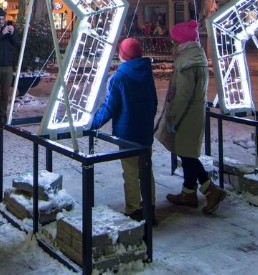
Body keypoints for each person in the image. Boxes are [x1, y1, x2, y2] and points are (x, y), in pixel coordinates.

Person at [156, 19, 226, 213]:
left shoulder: (187, 62)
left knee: (187, 154)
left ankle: (210, 189)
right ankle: (188, 192)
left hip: (186, 116)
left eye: (174, 40)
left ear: (182, 41)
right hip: (194, 113)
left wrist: (173, 119)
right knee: (186, 151)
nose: (172, 44)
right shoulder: (196, 56)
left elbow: (183, 95)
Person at [90, 38, 158, 223]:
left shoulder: (119, 77)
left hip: (126, 133)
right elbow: (153, 101)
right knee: (146, 169)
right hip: (144, 130)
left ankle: (134, 209)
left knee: (130, 171)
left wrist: (92, 124)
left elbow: (109, 107)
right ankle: (150, 207)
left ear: (123, 54)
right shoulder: (146, 72)